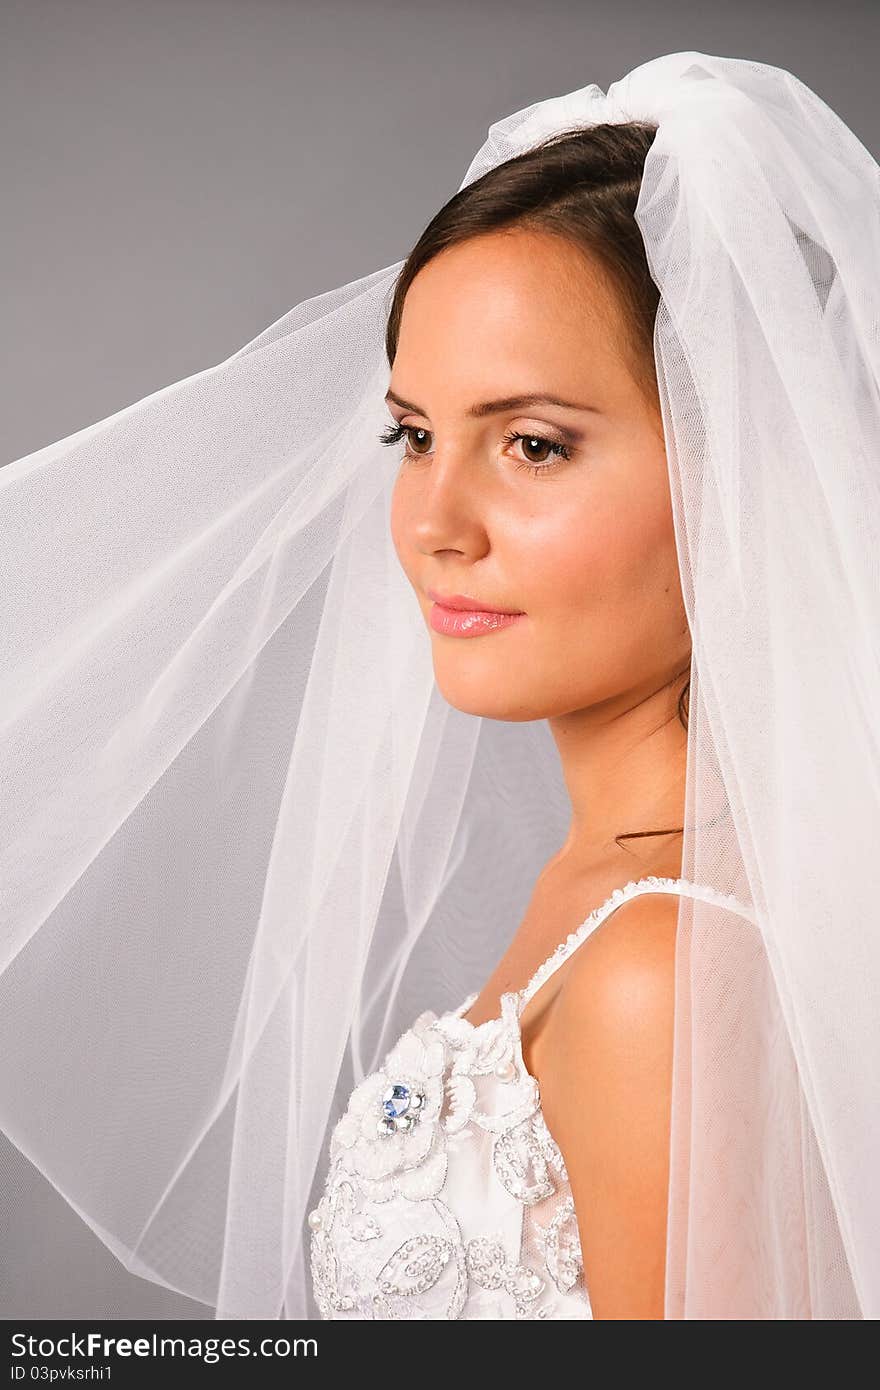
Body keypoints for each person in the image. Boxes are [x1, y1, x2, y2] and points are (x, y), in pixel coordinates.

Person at [0, 51, 878, 1321]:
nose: (432, 523)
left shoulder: (660, 966)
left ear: (735, 472)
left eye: (531, 443)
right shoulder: (624, 886)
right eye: (413, 436)